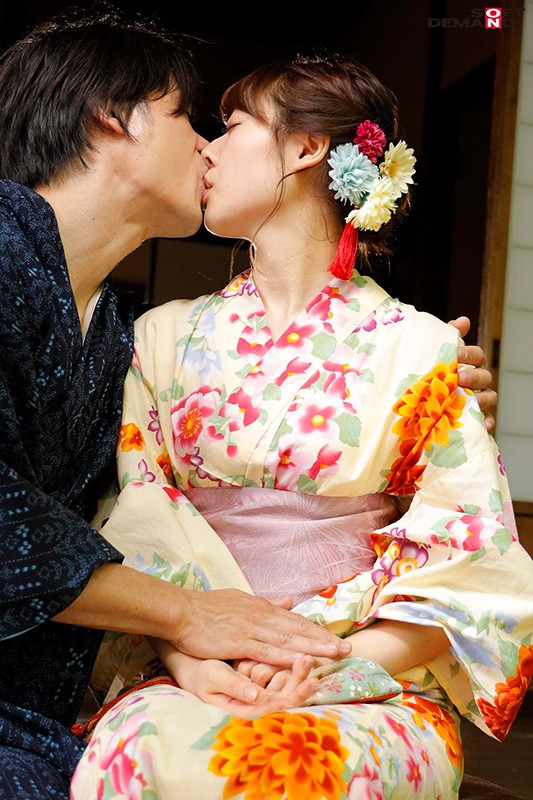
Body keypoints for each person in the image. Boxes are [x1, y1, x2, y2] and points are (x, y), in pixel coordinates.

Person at [69, 52, 533, 800]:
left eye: (232, 125)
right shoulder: (159, 336)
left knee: (308, 768)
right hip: (191, 663)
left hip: (364, 672)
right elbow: (135, 517)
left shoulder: (419, 347)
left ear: (307, 148)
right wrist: (194, 659)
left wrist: (330, 668)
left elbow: (473, 561)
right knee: (149, 752)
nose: (207, 149)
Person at [0, 13, 379, 800]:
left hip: (42, 710)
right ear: (113, 115)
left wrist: (427, 381)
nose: (206, 147)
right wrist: (182, 615)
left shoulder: (121, 332)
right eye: (185, 117)